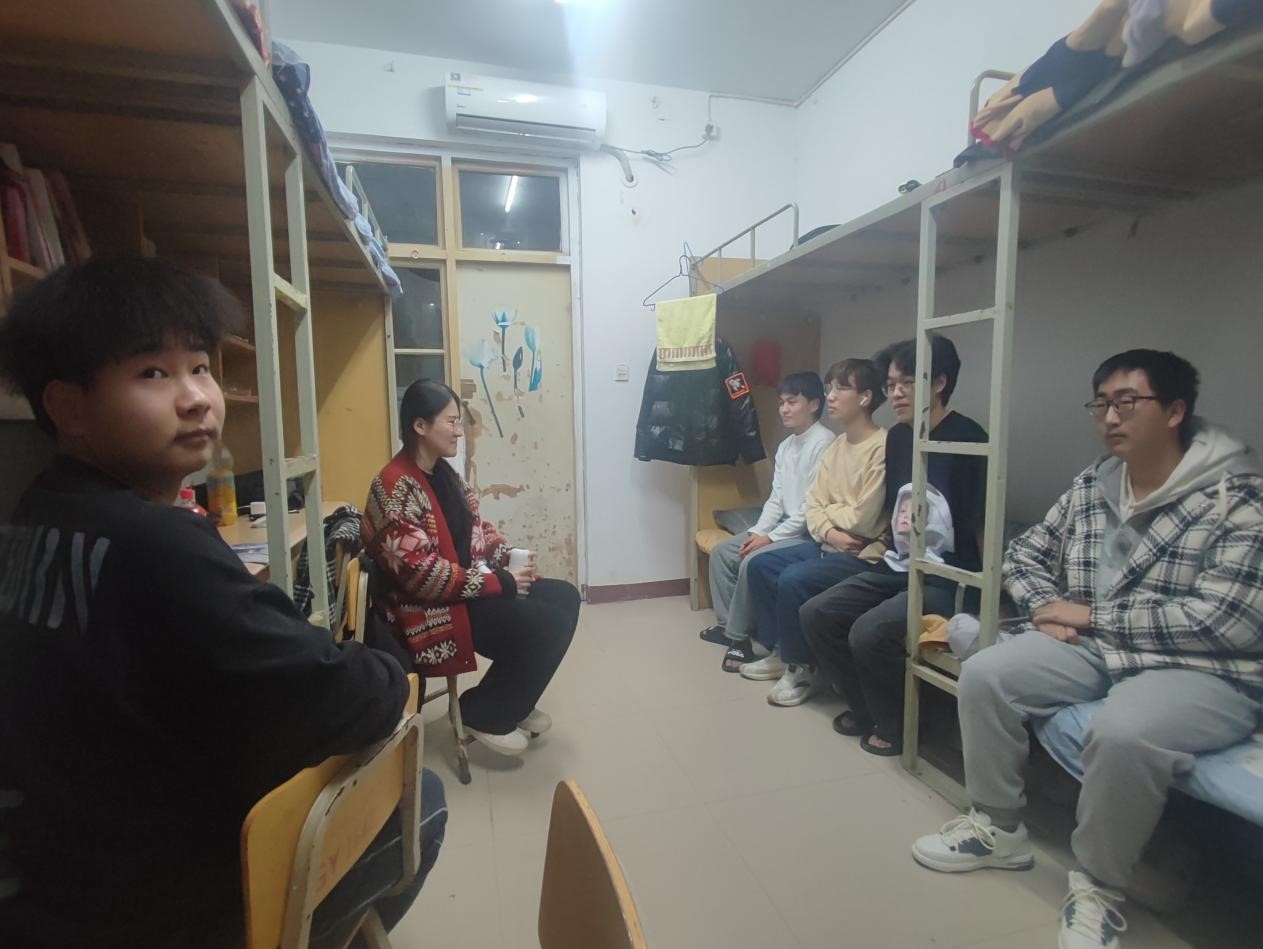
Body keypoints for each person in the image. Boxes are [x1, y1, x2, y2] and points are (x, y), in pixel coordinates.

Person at [0, 258, 445, 949]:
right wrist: (389, 669)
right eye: (153, 372)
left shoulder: (32, 515)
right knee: (423, 799)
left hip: (48, 886)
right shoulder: (154, 545)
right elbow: (345, 697)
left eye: (201, 367)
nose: (196, 398)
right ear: (68, 407)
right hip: (143, 914)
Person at [911, 350, 1263, 949]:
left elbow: (1227, 621)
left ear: (1175, 410)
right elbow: (1025, 552)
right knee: (988, 673)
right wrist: (1046, 606)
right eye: (1101, 404)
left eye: (1127, 402)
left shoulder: (1236, 497)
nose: (1110, 417)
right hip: (1091, 644)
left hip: (1198, 666)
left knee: (1123, 732)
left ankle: (1098, 885)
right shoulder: (1095, 482)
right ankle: (998, 827)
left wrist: (1096, 616)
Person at [362, 379, 579, 757]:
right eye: (451, 422)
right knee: (546, 625)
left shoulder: (445, 476)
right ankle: (484, 712)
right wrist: (498, 583)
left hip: (465, 588)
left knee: (565, 597)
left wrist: (508, 556)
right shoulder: (393, 487)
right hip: (429, 609)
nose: (459, 432)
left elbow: (478, 531)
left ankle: (511, 701)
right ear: (420, 426)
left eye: (459, 422)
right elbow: (423, 576)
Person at [801, 334, 987, 755]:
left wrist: (983, 594)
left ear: (939, 382)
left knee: (869, 631)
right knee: (817, 613)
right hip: (899, 565)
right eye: (891, 385)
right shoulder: (900, 437)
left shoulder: (970, 439)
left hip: (948, 576)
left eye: (908, 382)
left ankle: (900, 726)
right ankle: (867, 708)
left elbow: (981, 522)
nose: (896, 393)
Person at [740, 359, 889, 705]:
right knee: (761, 565)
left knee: (793, 579)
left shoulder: (882, 447)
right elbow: (814, 505)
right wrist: (830, 530)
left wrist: (827, 518)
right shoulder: (838, 446)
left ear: (865, 397)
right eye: (829, 388)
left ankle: (803, 668)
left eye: (841, 388)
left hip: (862, 552)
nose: (831, 396)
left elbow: (864, 520)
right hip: (831, 542)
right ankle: (781, 651)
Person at [698, 372, 834, 672]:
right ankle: (728, 627)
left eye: (792, 402)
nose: (784, 409)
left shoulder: (824, 443)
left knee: (752, 560)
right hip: (780, 525)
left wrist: (769, 539)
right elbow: (776, 498)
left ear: (814, 404)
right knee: (723, 553)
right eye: (782, 402)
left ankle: (740, 640)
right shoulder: (786, 445)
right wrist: (759, 531)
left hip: (806, 532)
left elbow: (810, 508)